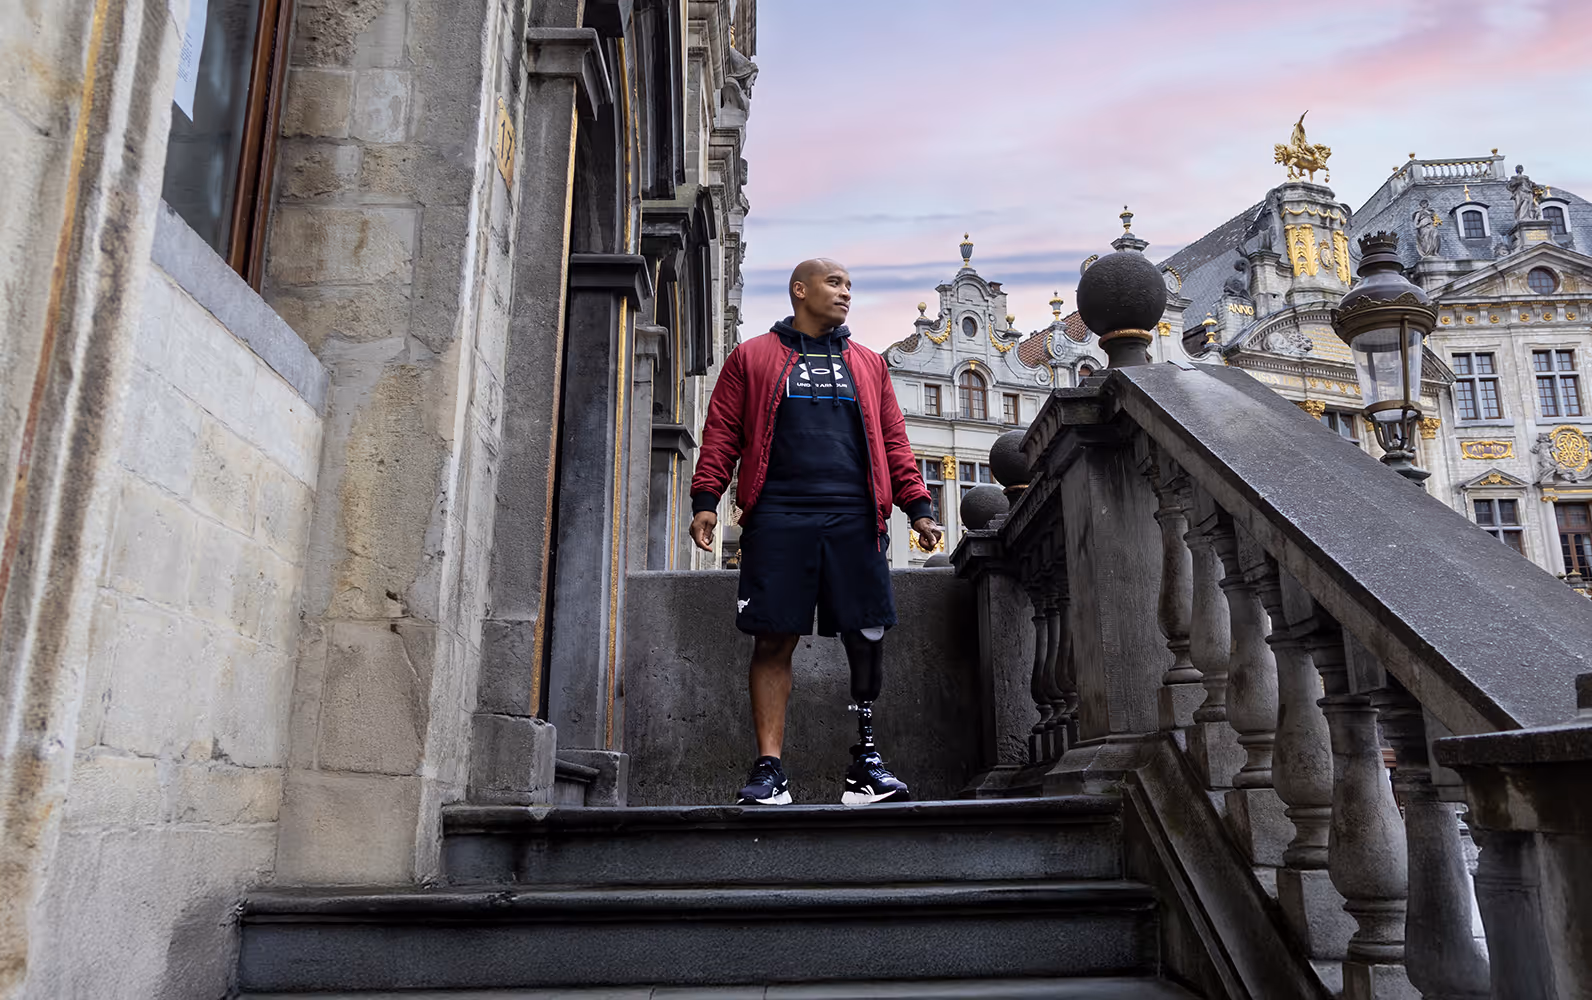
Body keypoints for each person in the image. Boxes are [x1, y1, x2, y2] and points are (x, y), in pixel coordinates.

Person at [689, 258, 942, 805]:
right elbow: (722, 431)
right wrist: (707, 498)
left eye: (850, 285)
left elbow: (894, 442)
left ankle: (866, 766)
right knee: (774, 636)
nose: (846, 293)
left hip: (856, 516)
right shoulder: (752, 356)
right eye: (834, 283)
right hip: (778, 515)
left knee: (866, 635)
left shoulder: (870, 364)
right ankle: (769, 770)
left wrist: (918, 506)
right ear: (800, 290)